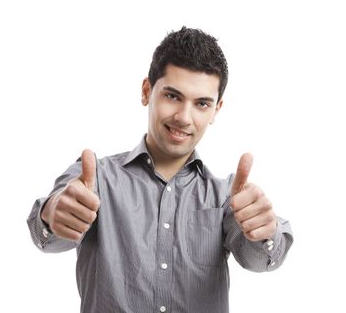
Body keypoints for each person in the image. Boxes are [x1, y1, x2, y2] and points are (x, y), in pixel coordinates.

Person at [27, 26, 293, 313]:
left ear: (216, 110)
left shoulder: (228, 197)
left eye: (202, 103)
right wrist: (53, 215)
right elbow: (47, 235)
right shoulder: (95, 178)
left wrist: (264, 233)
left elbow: (261, 260)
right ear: (146, 91)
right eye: (173, 96)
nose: (183, 118)